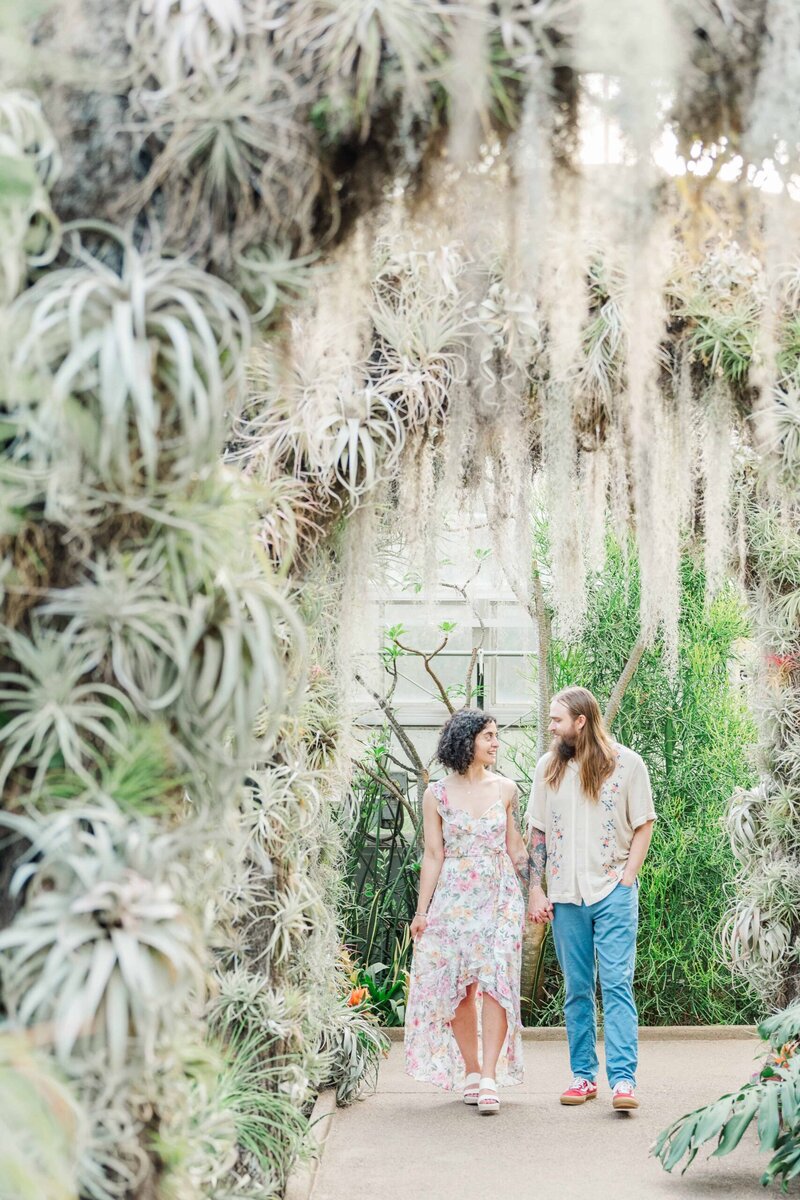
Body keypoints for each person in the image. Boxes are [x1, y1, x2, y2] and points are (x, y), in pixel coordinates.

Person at [527, 686, 656, 1111]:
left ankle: (623, 1082)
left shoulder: (627, 764)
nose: (550, 726)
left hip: (612, 892)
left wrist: (627, 877)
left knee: (617, 984)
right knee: (577, 988)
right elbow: (538, 833)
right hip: (566, 897)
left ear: (580, 721)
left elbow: (644, 823)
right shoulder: (549, 767)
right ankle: (583, 1076)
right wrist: (536, 887)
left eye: (556, 719)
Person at [404, 708, 527, 1114]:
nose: (495, 742)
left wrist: (539, 890)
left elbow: (517, 848)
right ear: (466, 740)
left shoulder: (506, 789)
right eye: (488, 736)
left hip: (498, 894)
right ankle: (472, 1070)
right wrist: (422, 912)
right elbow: (433, 854)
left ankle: (490, 1076)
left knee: (496, 984)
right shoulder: (435, 794)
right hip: (453, 897)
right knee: (459, 988)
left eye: (496, 736)